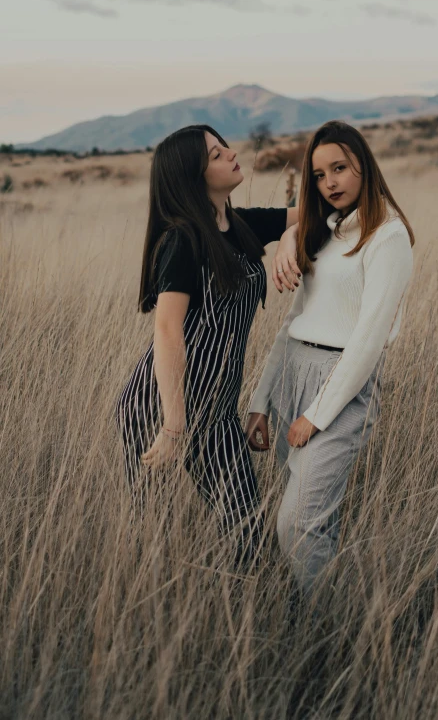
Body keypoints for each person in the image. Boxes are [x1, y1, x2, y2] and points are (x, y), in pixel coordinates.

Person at [116, 124, 300, 564]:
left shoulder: (240, 225)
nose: (230, 154)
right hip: (159, 407)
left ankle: (242, 618)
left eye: (223, 147)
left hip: (216, 410)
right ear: (192, 176)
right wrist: (174, 425)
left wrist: (289, 238)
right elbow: (167, 330)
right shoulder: (184, 238)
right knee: (151, 533)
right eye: (216, 155)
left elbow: (310, 212)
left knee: (247, 533)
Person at [246, 120, 415, 597]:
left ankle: (324, 630)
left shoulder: (388, 237)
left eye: (339, 168)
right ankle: (316, 620)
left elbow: (368, 339)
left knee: (295, 526)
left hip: (340, 387)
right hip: (293, 373)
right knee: (311, 522)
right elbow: (293, 322)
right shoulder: (324, 231)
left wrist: (316, 416)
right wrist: (261, 399)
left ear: (364, 165)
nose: (330, 183)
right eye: (319, 175)